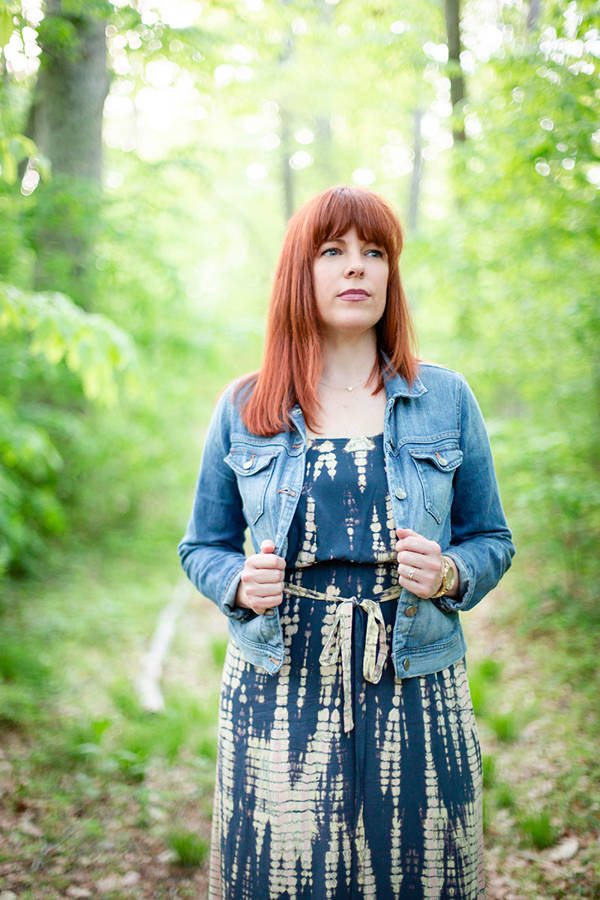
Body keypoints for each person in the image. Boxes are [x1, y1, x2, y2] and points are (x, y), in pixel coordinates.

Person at [178, 185, 515, 900]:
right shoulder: (247, 407)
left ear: (392, 275)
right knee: (286, 879)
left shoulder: (446, 398)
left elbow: (492, 538)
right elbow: (201, 546)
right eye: (332, 252)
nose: (355, 267)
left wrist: (451, 572)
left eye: (374, 253)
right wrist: (237, 583)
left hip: (415, 674)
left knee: (420, 874)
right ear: (300, 274)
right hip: (280, 683)